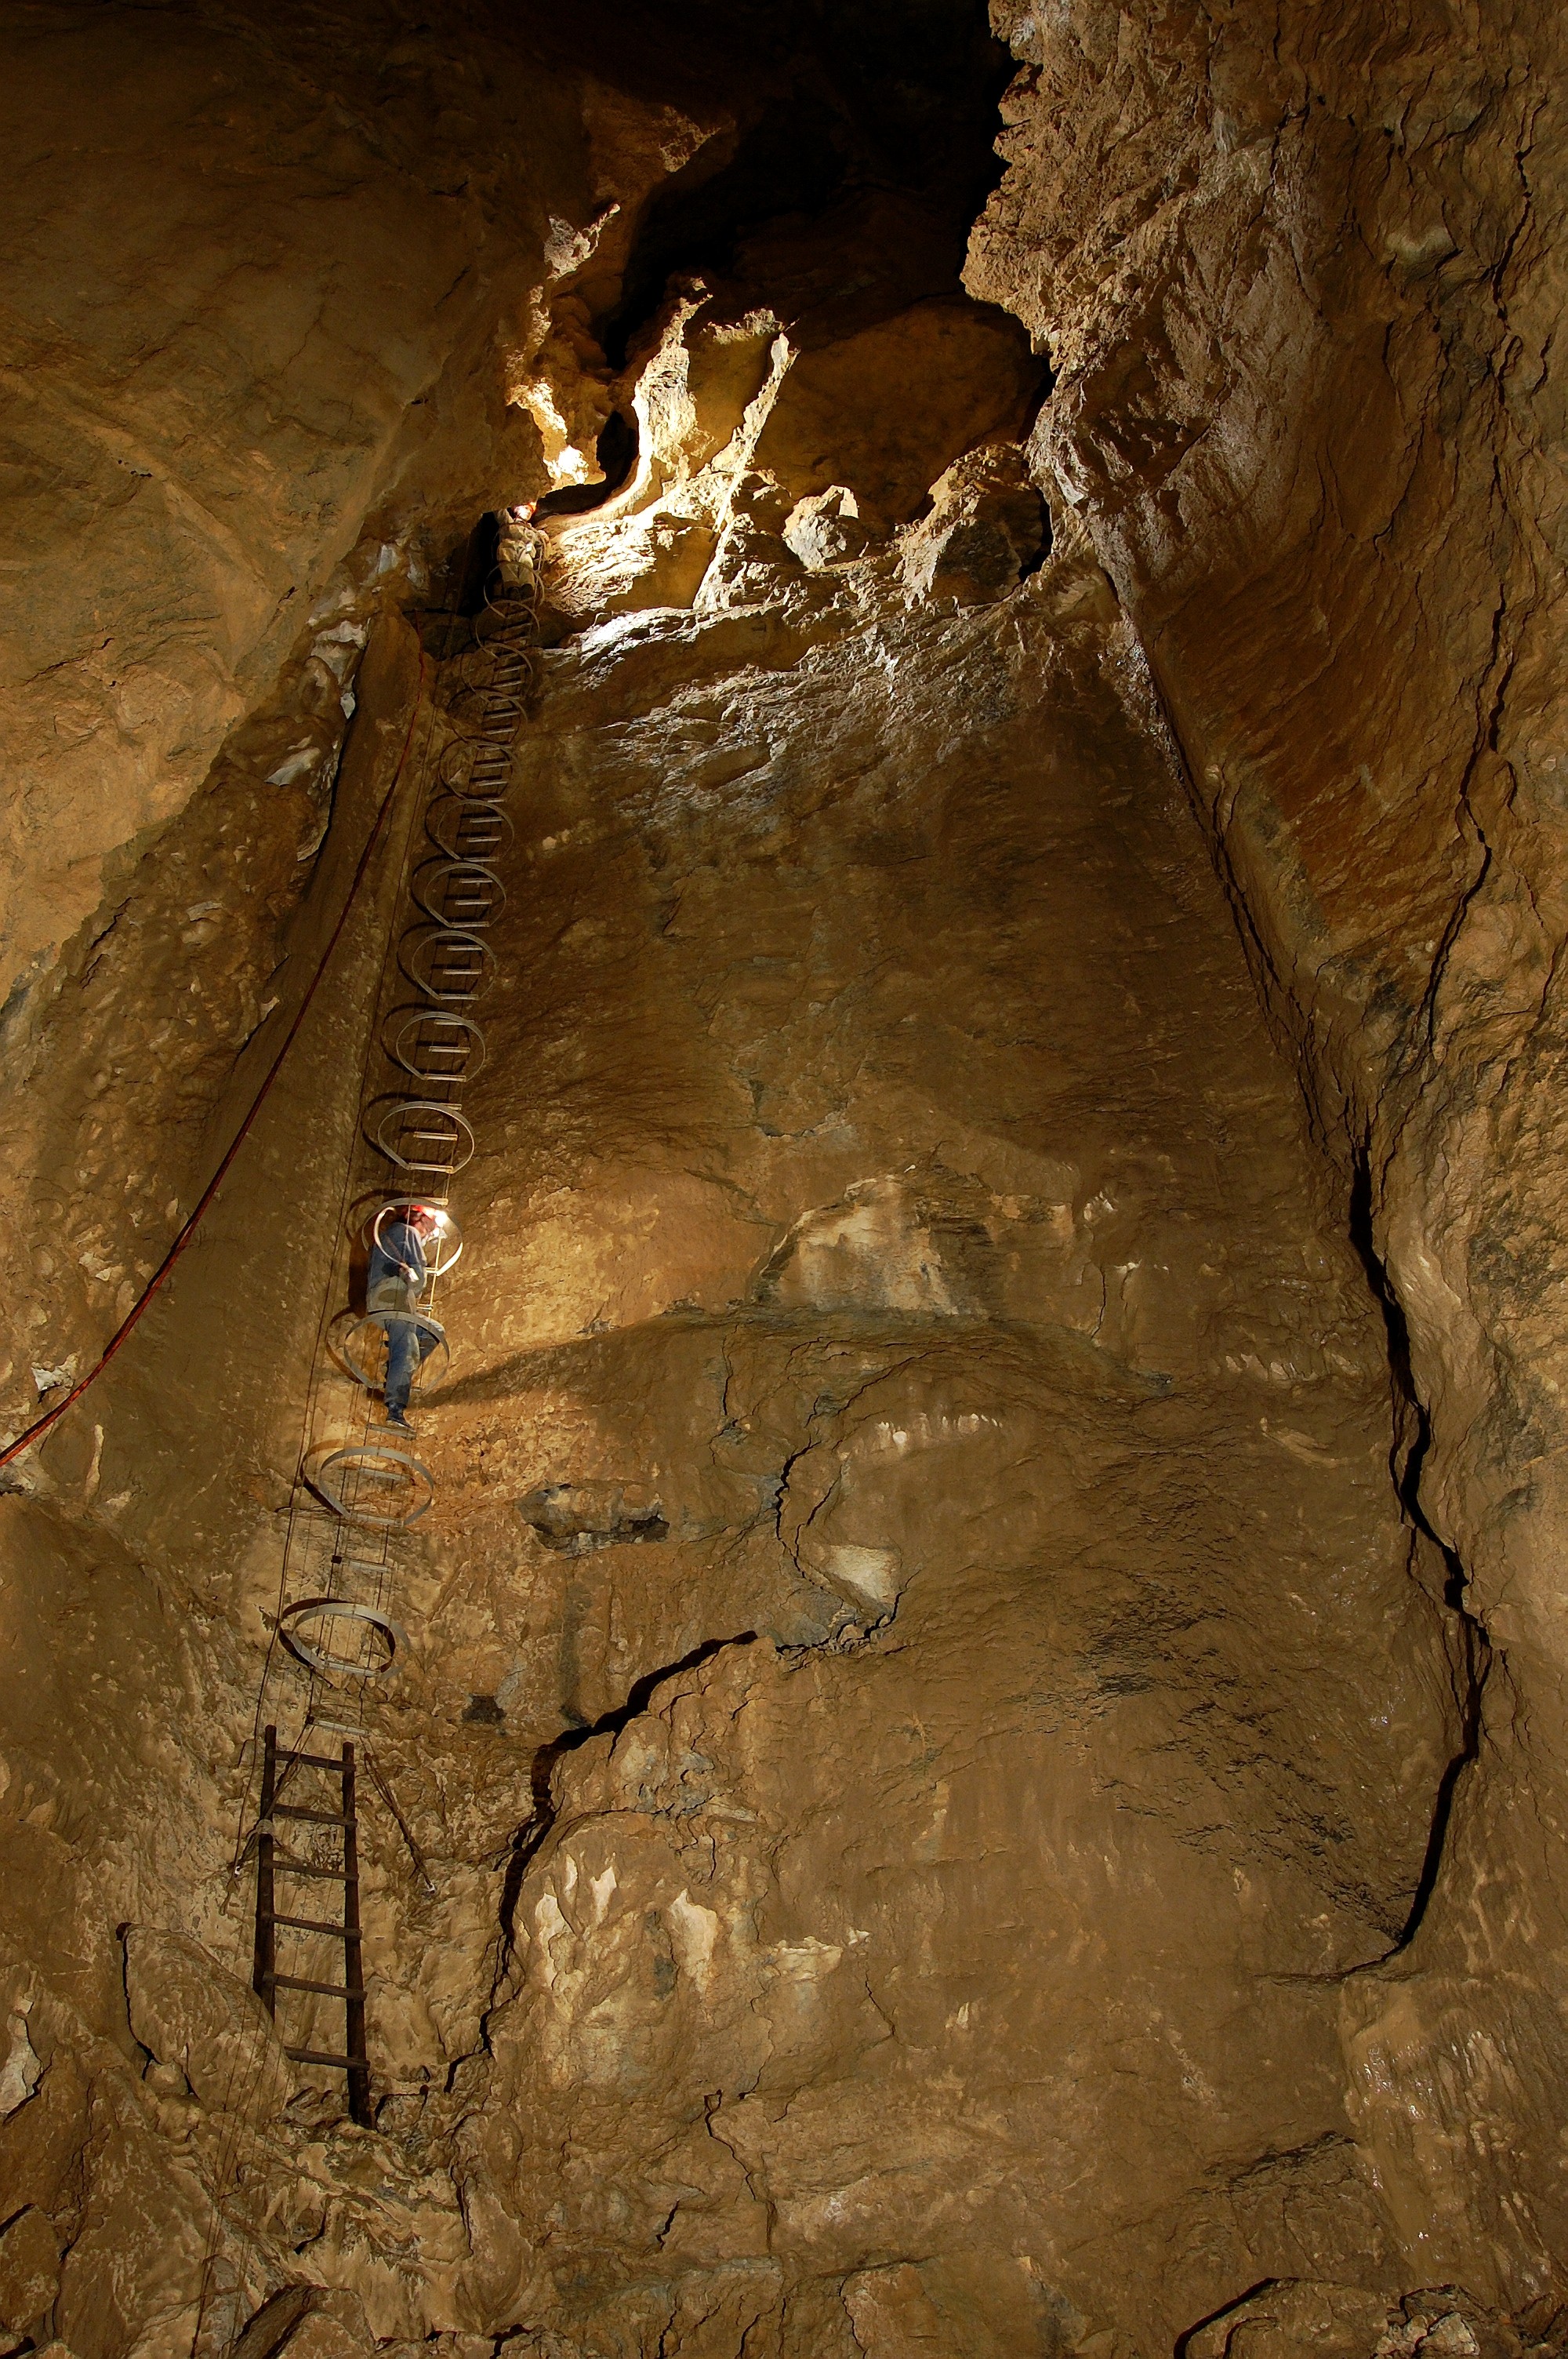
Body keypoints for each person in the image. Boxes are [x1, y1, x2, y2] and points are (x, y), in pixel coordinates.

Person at [366, 1204, 441, 1431]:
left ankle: (393, 1369)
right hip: (393, 1295)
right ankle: (395, 1411)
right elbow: (418, 1277)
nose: (432, 1231)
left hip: (386, 1298)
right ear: (422, 1220)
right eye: (432, 1225)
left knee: (434, 1329)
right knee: (407, 1345)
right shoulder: (407, 1233)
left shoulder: (393, 1234)